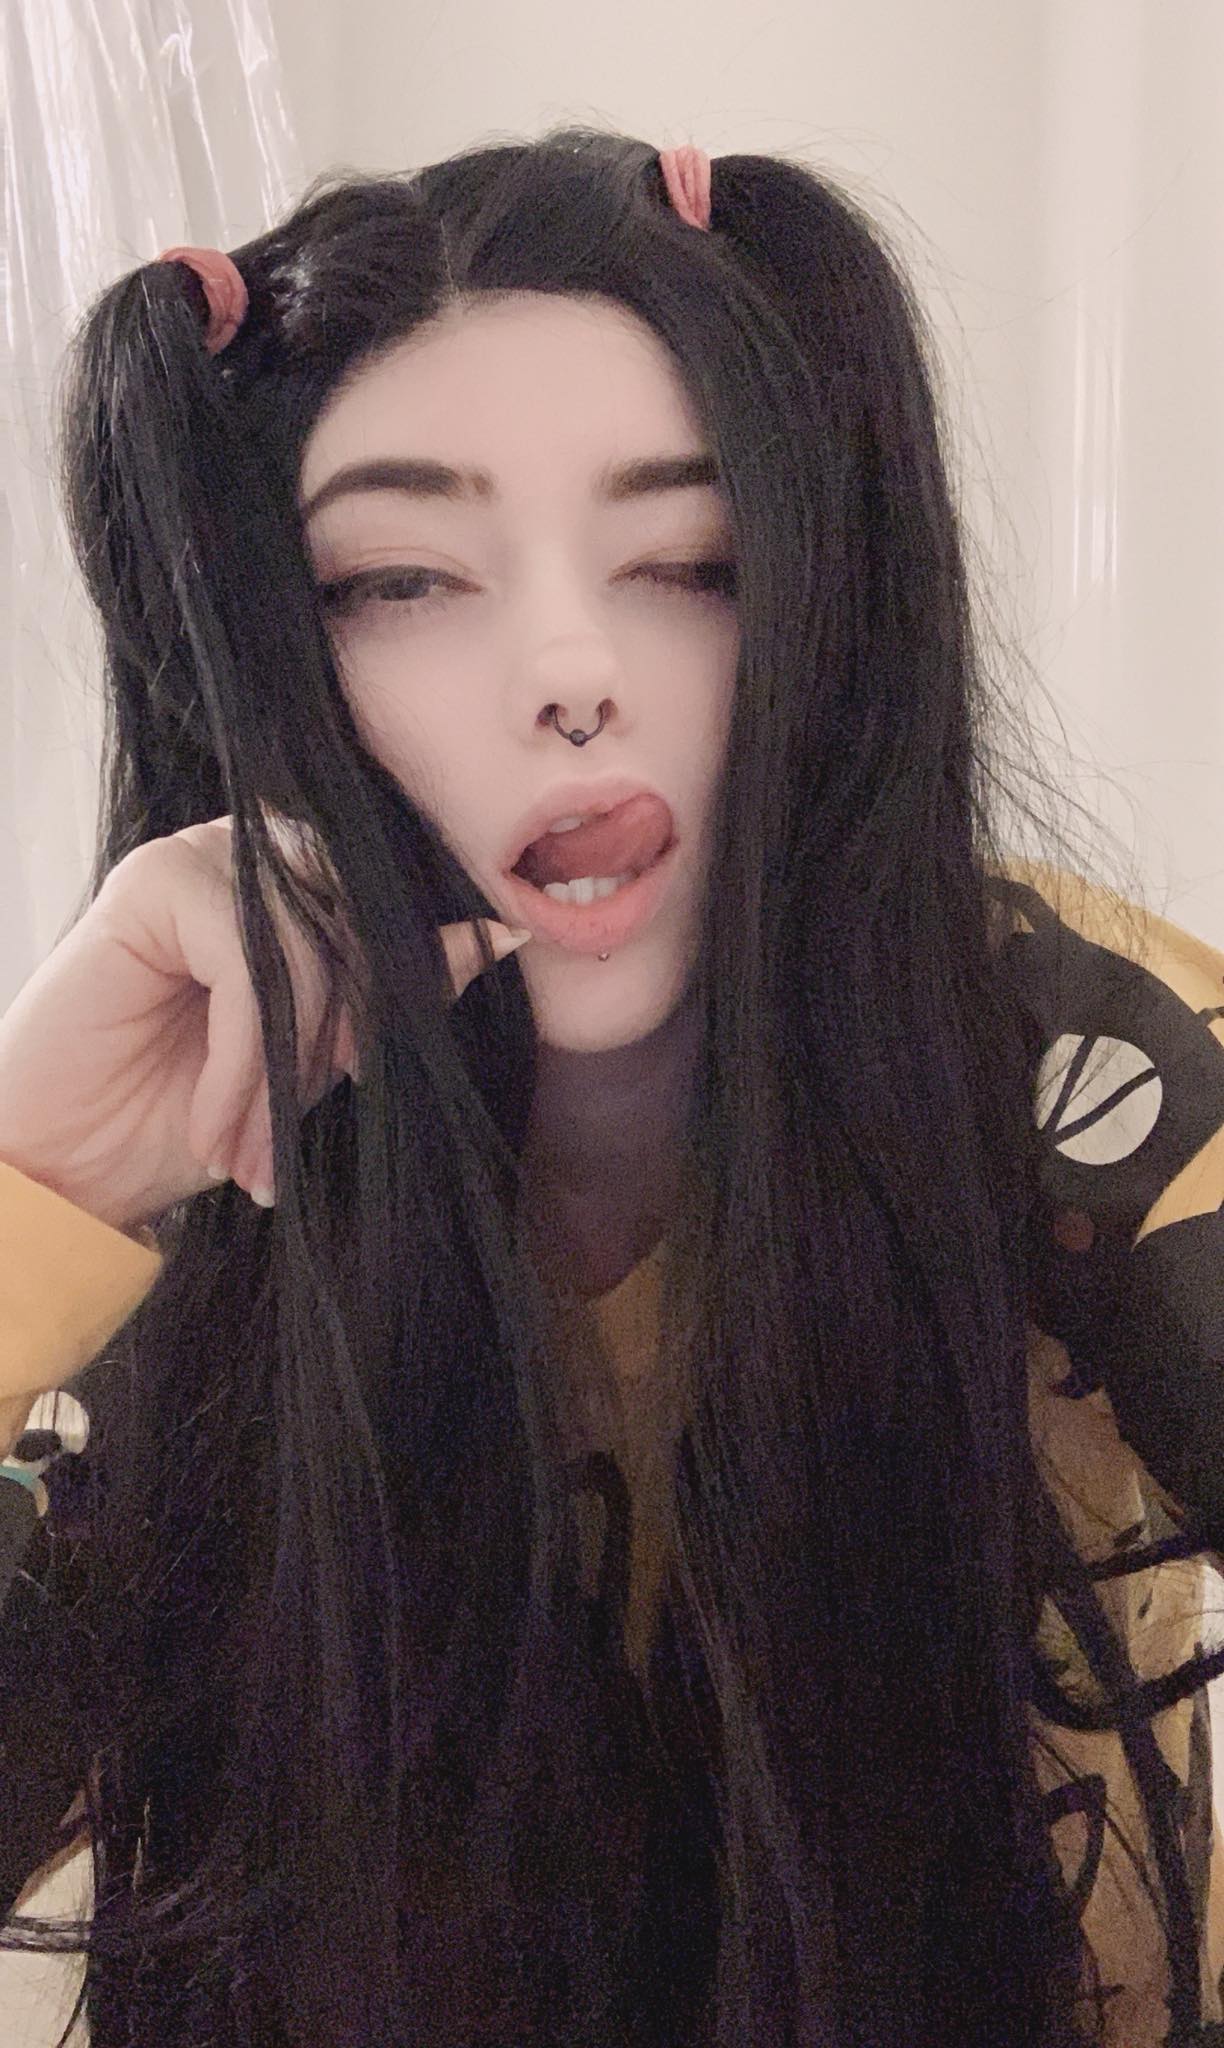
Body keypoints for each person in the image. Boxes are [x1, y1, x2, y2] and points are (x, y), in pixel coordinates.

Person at [0, 125, 1221, 2048]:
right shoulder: (191, 1158)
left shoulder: (1077, 1050)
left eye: (693, 562)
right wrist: (28, 1191)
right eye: (402, 579)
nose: (570, 671)